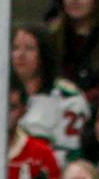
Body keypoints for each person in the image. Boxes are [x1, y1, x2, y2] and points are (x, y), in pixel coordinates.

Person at [8, 25, 92, 156]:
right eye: (15, 48)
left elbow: (70, 152)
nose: (20, 55)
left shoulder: (68, 98)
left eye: (29, 48)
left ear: (44, 53)